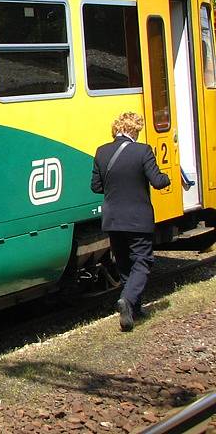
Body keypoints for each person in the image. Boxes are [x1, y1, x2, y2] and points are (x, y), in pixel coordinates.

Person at [91, 112, 171, 332]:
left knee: (125, 263)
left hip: (113, 219)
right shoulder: (142, 150)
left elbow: (96, 187)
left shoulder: (102, 152)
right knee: (143, 262)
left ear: (117, 129)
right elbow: (157, 181)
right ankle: (127, 300)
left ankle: (133, 311)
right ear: (134, 129)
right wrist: (168, 178)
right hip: (137, 218)